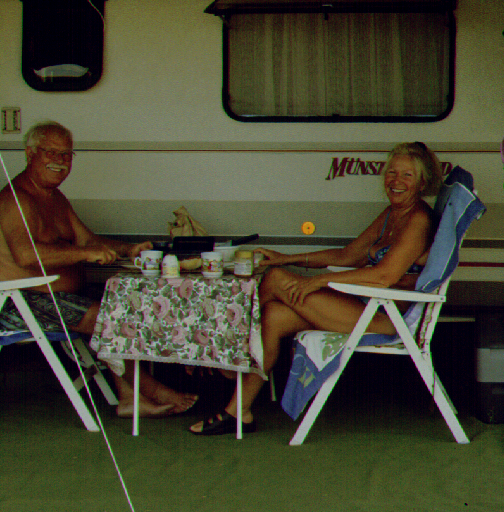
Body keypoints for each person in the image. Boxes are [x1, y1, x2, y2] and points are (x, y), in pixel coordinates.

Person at [190, 142, 444, 435]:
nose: (396, 181)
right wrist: (288, 258)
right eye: (391, 172)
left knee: (275, 279)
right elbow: (348, 255)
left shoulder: (418, 220)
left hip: (388, 318)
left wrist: (319, 280)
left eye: (407, 175)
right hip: (367, 305)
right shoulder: (393, 214)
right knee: (272, 316)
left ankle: (230, 348)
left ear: (422, 182)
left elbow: (384, 275)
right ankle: (238, 412)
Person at [0, 120, 197, 418]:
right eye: (51, 152)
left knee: (127, 304)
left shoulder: (53, 197)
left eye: (66, 154)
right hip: (20, 303)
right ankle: (152, 390)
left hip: (55, 298)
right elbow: (26, 255)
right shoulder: (16, 200)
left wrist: (126, 249)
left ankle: (128, 398)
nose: (60, 161)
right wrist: (85, 254)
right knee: (108, 317)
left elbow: (87, 240)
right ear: (30, 153)